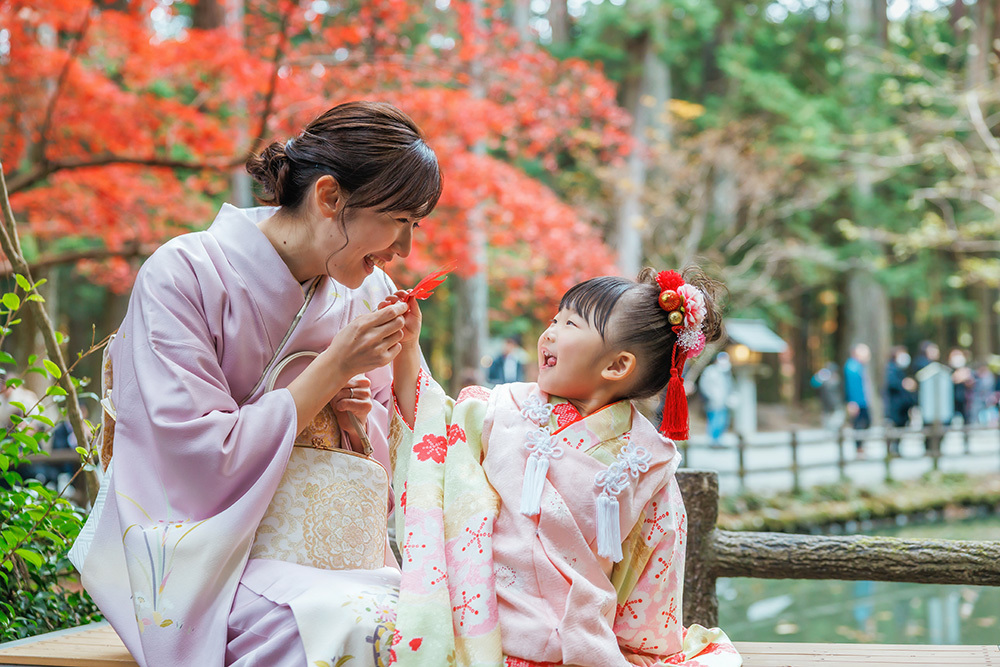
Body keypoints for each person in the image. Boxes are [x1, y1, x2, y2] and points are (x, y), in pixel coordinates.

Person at [68, 101, 441, 667]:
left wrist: (381, 391)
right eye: (399, 220)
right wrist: (331, 370)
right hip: (204, 555)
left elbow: (421, 450)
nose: (406, 249)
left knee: (430, 623)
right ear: (329, 197)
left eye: (415, 225)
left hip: (343, 559)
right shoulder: (185, 273)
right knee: (349, 628)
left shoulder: (371, 294)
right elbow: (191, 458)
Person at [384, 268, 741, 666]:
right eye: (555, 319)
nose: (549, 332)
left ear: (617, 365)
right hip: (478, 621)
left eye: (570, 324)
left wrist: (637, 645)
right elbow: (433, 426)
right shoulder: (503, 408)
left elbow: (654, 568)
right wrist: (408, 347)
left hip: (579, 642)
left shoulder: (648, 463)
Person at [883, 346, 916, 456]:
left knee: (901, 427)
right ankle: (891, 449)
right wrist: (904, 384)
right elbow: (891, 384)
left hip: (903, 406)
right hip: (895, 406)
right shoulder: (891, 369)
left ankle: (896, 448)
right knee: (893, 427)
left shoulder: (901, 370)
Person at [843, 343, 873, 458]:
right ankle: (859, 448)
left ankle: (861, 446)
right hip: (857, 402)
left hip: (863, 401)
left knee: (866, 423)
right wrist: (852, 402)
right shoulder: (852, 367)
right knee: (859, 425)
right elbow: (851, 387)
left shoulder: (859, 366)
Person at [699, 352, 734, 447]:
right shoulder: (710, 371)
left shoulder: (726, 372)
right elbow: (704, 385)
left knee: (723, 421)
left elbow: (729, 386)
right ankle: (713, 441)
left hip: (724, 402)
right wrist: (711, 396)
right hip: (713, 402)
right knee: (715, 420)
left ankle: (719, 440)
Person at [810, 361, 844, 431]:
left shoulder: (837, 380)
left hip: (836, 407)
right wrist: (819, 376)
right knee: (827, 428)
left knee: (836, 426)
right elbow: (813, 383)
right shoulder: (823, 380)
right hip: (826, 408)